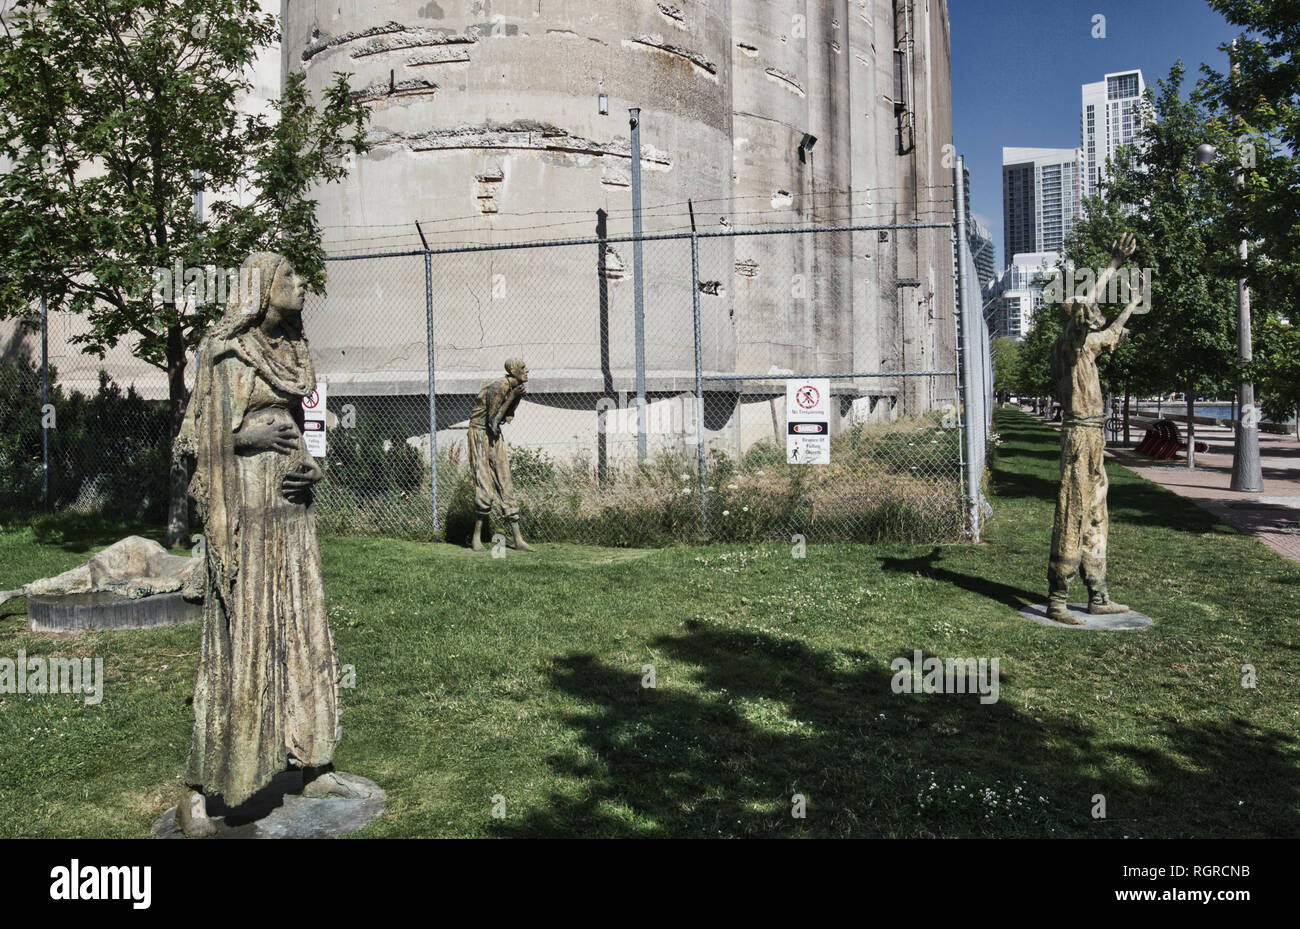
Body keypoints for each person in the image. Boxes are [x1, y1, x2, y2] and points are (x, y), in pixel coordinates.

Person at [172, 252, 361, 838]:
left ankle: (311, 762)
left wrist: (310, 468)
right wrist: (248, 435)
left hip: (291, 513)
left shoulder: (295, 354)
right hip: (245, 513)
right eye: (289, 278)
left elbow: (304, 434)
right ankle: (201, 790)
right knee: (244, 640)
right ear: (260, 288)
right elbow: (191, 443)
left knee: (303, 630)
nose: (301, 285)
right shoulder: (226, 353)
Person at [1046, 233, 1144, 624]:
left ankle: (1098, 593)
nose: (1091, 317)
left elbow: (1113, 333)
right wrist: (1113, 265)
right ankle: (1057, 597)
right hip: (1079, 437)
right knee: (1072, 511)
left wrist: (1133, 305)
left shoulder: (1088, 348)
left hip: (1095, 436)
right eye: (1082, 316)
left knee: (1097, 513)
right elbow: (1087, 308)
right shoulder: (1069, 349)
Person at [468, 359, 534, 552]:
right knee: (484, 486)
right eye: (522, 368)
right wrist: (512, 395)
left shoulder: (515, 387)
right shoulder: (499, 386)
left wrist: (516, 398)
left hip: (494, 436)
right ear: (513, 371)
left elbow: (507, 416)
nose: (527, 370)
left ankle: (518, 539)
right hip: (480, 434)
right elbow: (493, 422)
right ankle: (476, 538)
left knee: (505, 482)